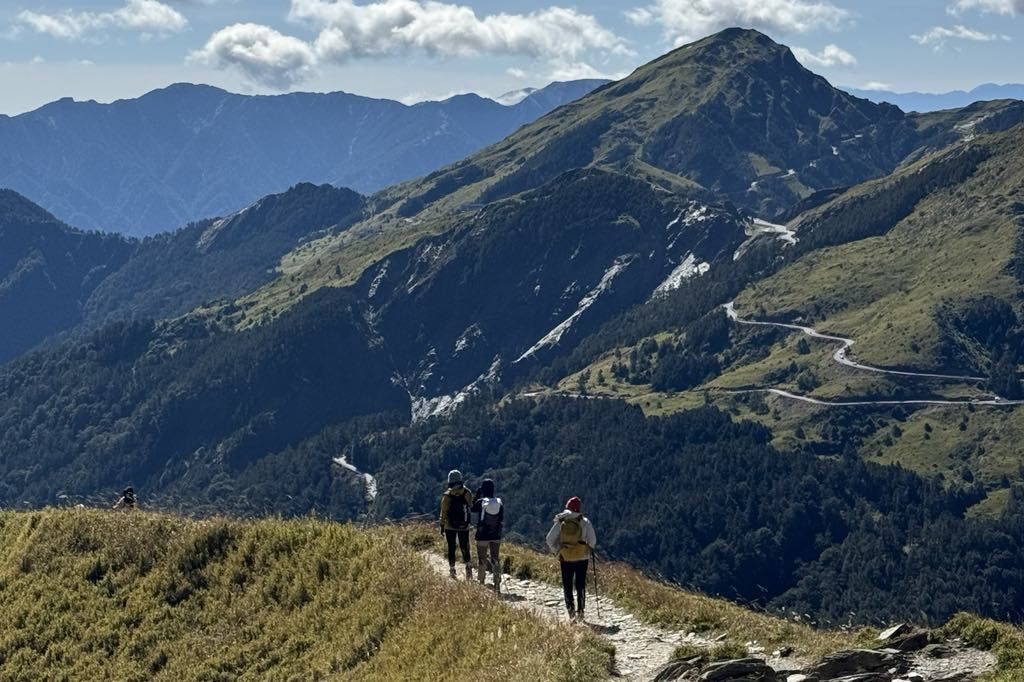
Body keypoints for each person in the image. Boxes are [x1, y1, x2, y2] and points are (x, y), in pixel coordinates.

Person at [546, 496, 596, 622]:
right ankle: (581, 612)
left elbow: (549, 539)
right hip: (582, 558)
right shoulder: (584, 521)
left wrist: (558, 551)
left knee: (567, 585)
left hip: (565, 558)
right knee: (580, 585)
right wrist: (587, 550)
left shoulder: (561, 521)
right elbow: (593, 541)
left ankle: (571, 612)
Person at [439, 470, 474, 580]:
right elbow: (470, 506)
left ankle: (452, 569)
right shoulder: (467, 493)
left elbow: (443, 512)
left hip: (450, 525)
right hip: (464, 525)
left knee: (451, 547)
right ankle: (468, 568)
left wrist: (442, 525)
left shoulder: (447, 495)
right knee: (465, 546)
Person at [470, 478, 503, 592]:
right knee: (495, 558)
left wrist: (477, 494)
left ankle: (481, 581)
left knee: (482, 558)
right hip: (496, 535)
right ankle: (497, 582)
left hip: (482, 534)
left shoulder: (481, 502)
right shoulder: (499, 502)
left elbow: (472, 508)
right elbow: (501, 518)